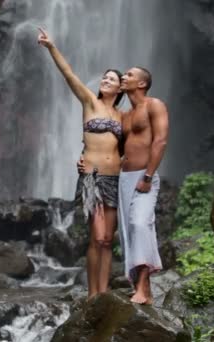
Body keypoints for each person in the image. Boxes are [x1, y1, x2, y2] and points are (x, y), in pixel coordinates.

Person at [37, 28, 124, 299]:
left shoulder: (123, 116)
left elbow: (128, 149)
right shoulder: (90, 102)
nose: (105, 80)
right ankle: (92, 295)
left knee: (107, 241)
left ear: (121, 88)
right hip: (92, 177)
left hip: (114, 179)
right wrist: (52, 46)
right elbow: (69, 74)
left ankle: (104, 292)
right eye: (105, 77)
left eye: (112, 79)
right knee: (97, 237)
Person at [78, 66, 169, 304]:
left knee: (140, 224)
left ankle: (143, 288)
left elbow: (160, 141)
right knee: (128, 233)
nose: (123, 78)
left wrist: (148, 176)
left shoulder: (154, 105)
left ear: (141, 84)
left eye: (128, 75)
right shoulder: (124, 115)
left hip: (144, 176)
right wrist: (85, 159)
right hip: (121, 178)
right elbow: (108, 146)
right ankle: (134, 287)